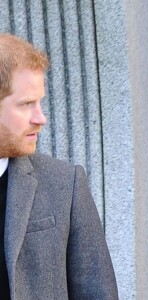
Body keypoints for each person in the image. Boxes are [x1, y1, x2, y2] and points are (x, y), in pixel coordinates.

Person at [0, 33, 118, 299]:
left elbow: (97, 292)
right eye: (27, 104)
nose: (40, 118)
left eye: (39, 102)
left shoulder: (65, 184)